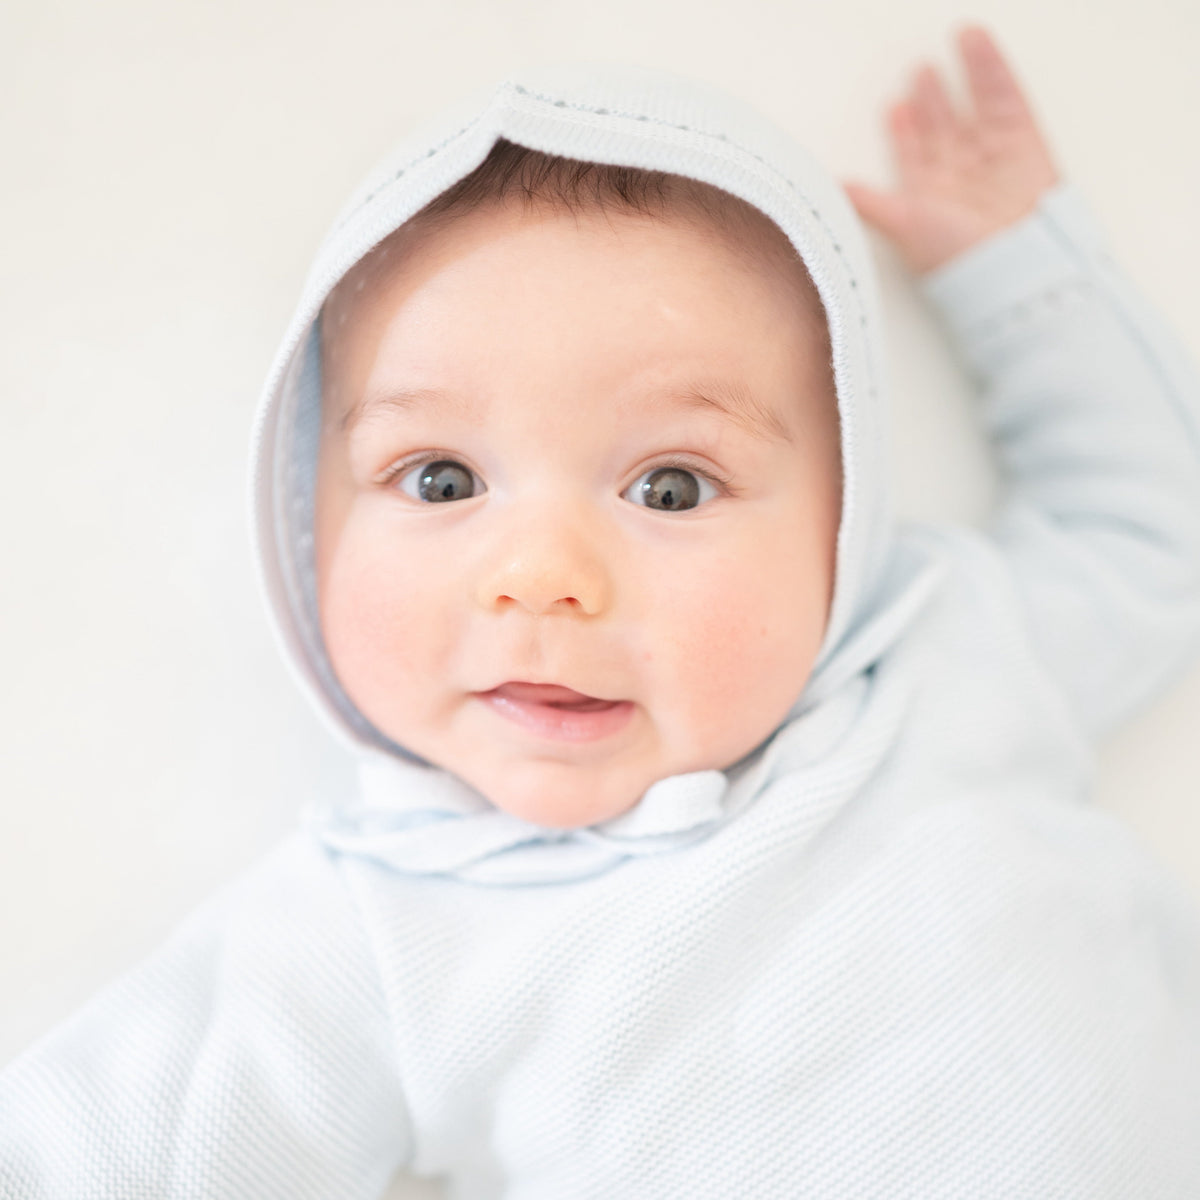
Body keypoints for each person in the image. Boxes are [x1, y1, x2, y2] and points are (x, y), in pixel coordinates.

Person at [3, 23, 1199, 1199]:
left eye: (670, 486)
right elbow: (99, 1150)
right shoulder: (373, 928)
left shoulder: (947, 645)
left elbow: (1152, 534)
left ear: (845, 518)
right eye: (440, 479)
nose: (544, 578)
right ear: (306, 515)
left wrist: (1021, 279)